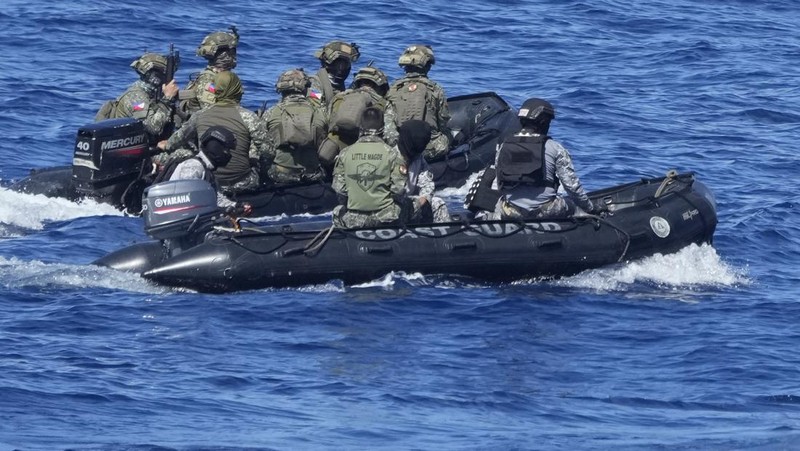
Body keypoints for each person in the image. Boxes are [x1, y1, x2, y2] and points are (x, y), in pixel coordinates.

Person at [479, 98, 602, 220]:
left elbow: (499, 183)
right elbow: (572, 187)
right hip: (547, 211)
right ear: (543, 122)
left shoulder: (503, 146)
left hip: (510, 212)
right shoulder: (555, 148)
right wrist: (591, 208)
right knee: (572, 206)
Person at [157, 71, 270, 195]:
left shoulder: (199, 115)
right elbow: (268, 151)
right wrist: (259, 165)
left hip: (209, 181)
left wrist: (166, 145)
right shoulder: (249, 117)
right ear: (238, 91)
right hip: (241, 183)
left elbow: (179, 138)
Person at [332, 107, 408, 228]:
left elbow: (339, 188)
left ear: (361, 128)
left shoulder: (345, 153)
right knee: (413, 204)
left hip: (354, 220)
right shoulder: (392, 154)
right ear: (383, 129)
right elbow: (398, 190)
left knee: (337, 210)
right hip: (386, 218)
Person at [318, 65, 398, 174]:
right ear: (380, 86)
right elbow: (391, 137)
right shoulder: (383, 104)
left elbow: (325, 123)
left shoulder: (339, 97)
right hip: (365, 158)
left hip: (332, 154)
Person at [262, 69, 328, 186]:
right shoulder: (319, 112)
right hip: (312, 173)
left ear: (281, 89)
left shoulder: (271, 112)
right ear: (305, 88)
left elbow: (264, 148)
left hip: (281, 173)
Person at [95, 52, 180, 142]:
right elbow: (153, 128)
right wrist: (167, 99)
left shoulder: (151, 94)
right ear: (155, 77)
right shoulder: (137, 98)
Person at [385, 44, 451, 160]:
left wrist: (396, 146)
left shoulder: (394, 89)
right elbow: (443, 121)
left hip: (401, 148)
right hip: (429, 148)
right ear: (427, 66)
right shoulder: (435, 90)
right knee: (448, 138)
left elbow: (388, 123)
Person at [397, 120, 450, 223]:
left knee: (438, 204)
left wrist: (424, 198)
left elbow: (427, 182)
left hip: (410, 202)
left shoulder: (419, 159)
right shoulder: (390, 156)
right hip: (391, 205)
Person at [181, 27, 240, 115]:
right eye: (229, 52)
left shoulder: (224, 78)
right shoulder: (208, 81)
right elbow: (212, 114)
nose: (232, 56)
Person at [309, 41, 361, 107]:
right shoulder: (314, 84)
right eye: (337, 64)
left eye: (345, 65)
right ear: (327, 63)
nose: (341, 68)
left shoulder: (339, 85)